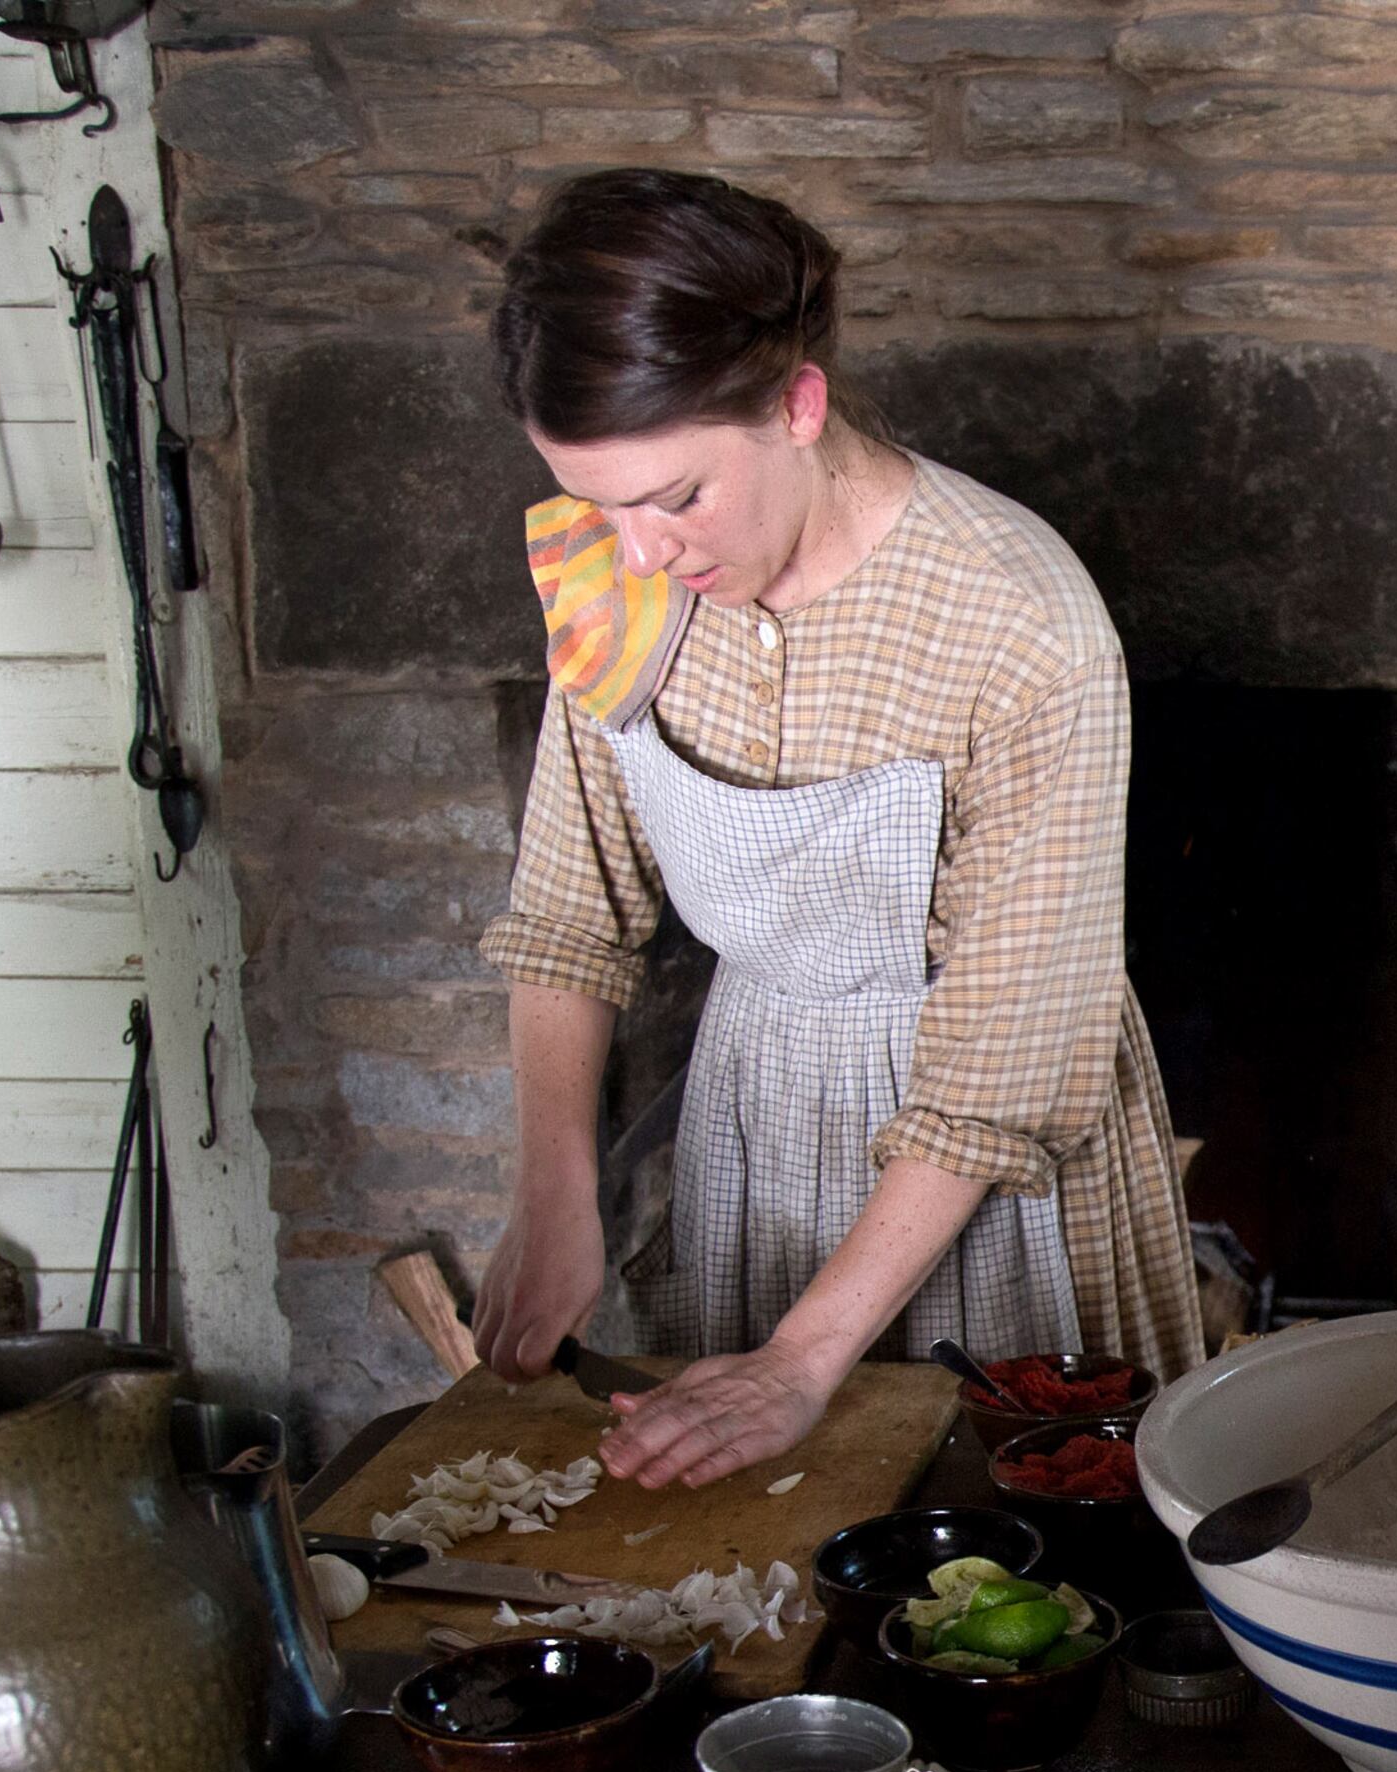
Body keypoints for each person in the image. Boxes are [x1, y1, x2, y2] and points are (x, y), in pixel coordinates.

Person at [473, 169, 1203, 1489]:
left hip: (988, 1161)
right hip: (756, 1120)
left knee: (999, 1548)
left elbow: (1001, 1071)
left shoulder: (1019, 623)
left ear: (796, 405)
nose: (636, 555)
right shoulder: (614, 567)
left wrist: (806, 1357)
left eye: (678, 497)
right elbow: (570, 911)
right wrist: (552, 1192)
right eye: (599, 502)